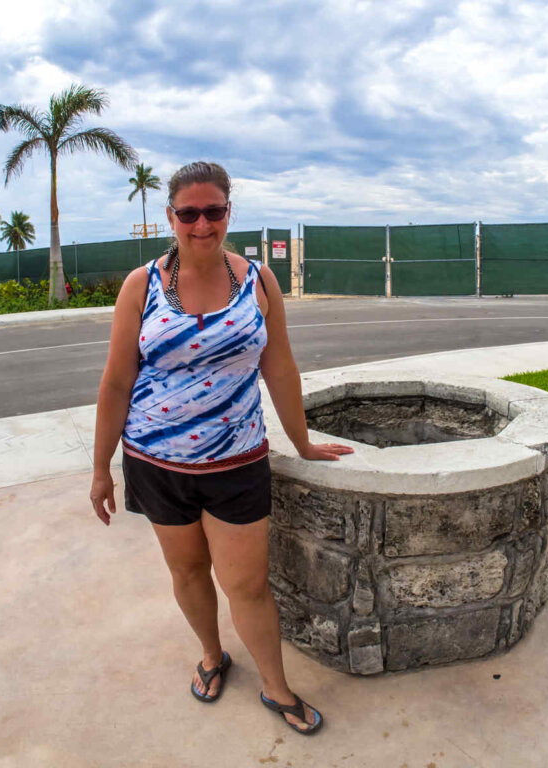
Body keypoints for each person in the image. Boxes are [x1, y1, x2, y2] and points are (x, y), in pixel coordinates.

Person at [89, 160, 353, 735]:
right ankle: (212, 655)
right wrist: (101, 468)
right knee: (187, 574)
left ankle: (276, 688)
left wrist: (302, 441)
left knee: (248, 585)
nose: (202, 224)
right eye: (189, 213)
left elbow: (278, 365)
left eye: (213, 211)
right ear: (171, 217)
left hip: (237, 462)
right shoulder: (142, 286)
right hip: (156, 464)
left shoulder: (258, 280)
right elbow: (116, 381)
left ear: (228, 212)